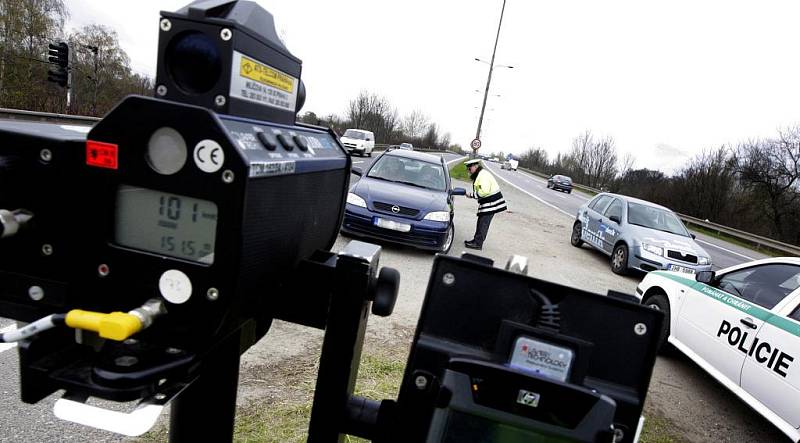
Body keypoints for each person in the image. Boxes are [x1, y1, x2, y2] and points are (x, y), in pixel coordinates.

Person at [464, 159, 506, 249]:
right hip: (488, 202)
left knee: (483, 223)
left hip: (492, 202)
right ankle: (476, 240)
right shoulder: (480, 174)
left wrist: (471, 195)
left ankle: (478, 244)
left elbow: (484, 191)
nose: (468, 171)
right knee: (481, 222)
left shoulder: (483, 175)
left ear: (475, 166)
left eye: (469, 168)